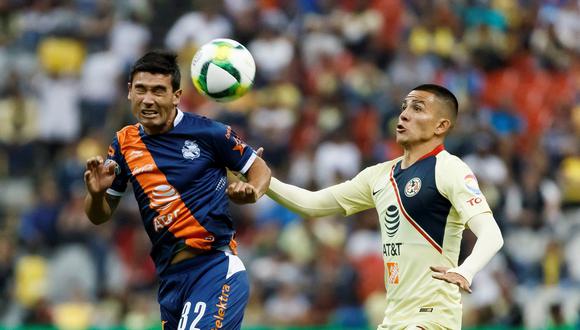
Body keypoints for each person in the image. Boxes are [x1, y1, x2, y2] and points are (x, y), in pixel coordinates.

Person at [264, 84, 504, 329]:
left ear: (441, 125)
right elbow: (311, 204)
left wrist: (467, 270)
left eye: (417, 108)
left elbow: (491, 234)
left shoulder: (449, 169)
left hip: (432, 318)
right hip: (393, 320)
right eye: (404, 107)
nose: (404, 114)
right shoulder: (379, 176)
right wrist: (257, 174)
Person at [83, 50, 271, 329]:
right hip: (171, 281)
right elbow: (99, 215)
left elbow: (259, 168)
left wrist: (253, 191)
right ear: (129, 92)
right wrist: (97, 195)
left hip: (214, 268)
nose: (148, 99)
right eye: (141, 90)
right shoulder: (123, 143)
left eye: (158, 91)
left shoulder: (210, 133)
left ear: (176, 95)